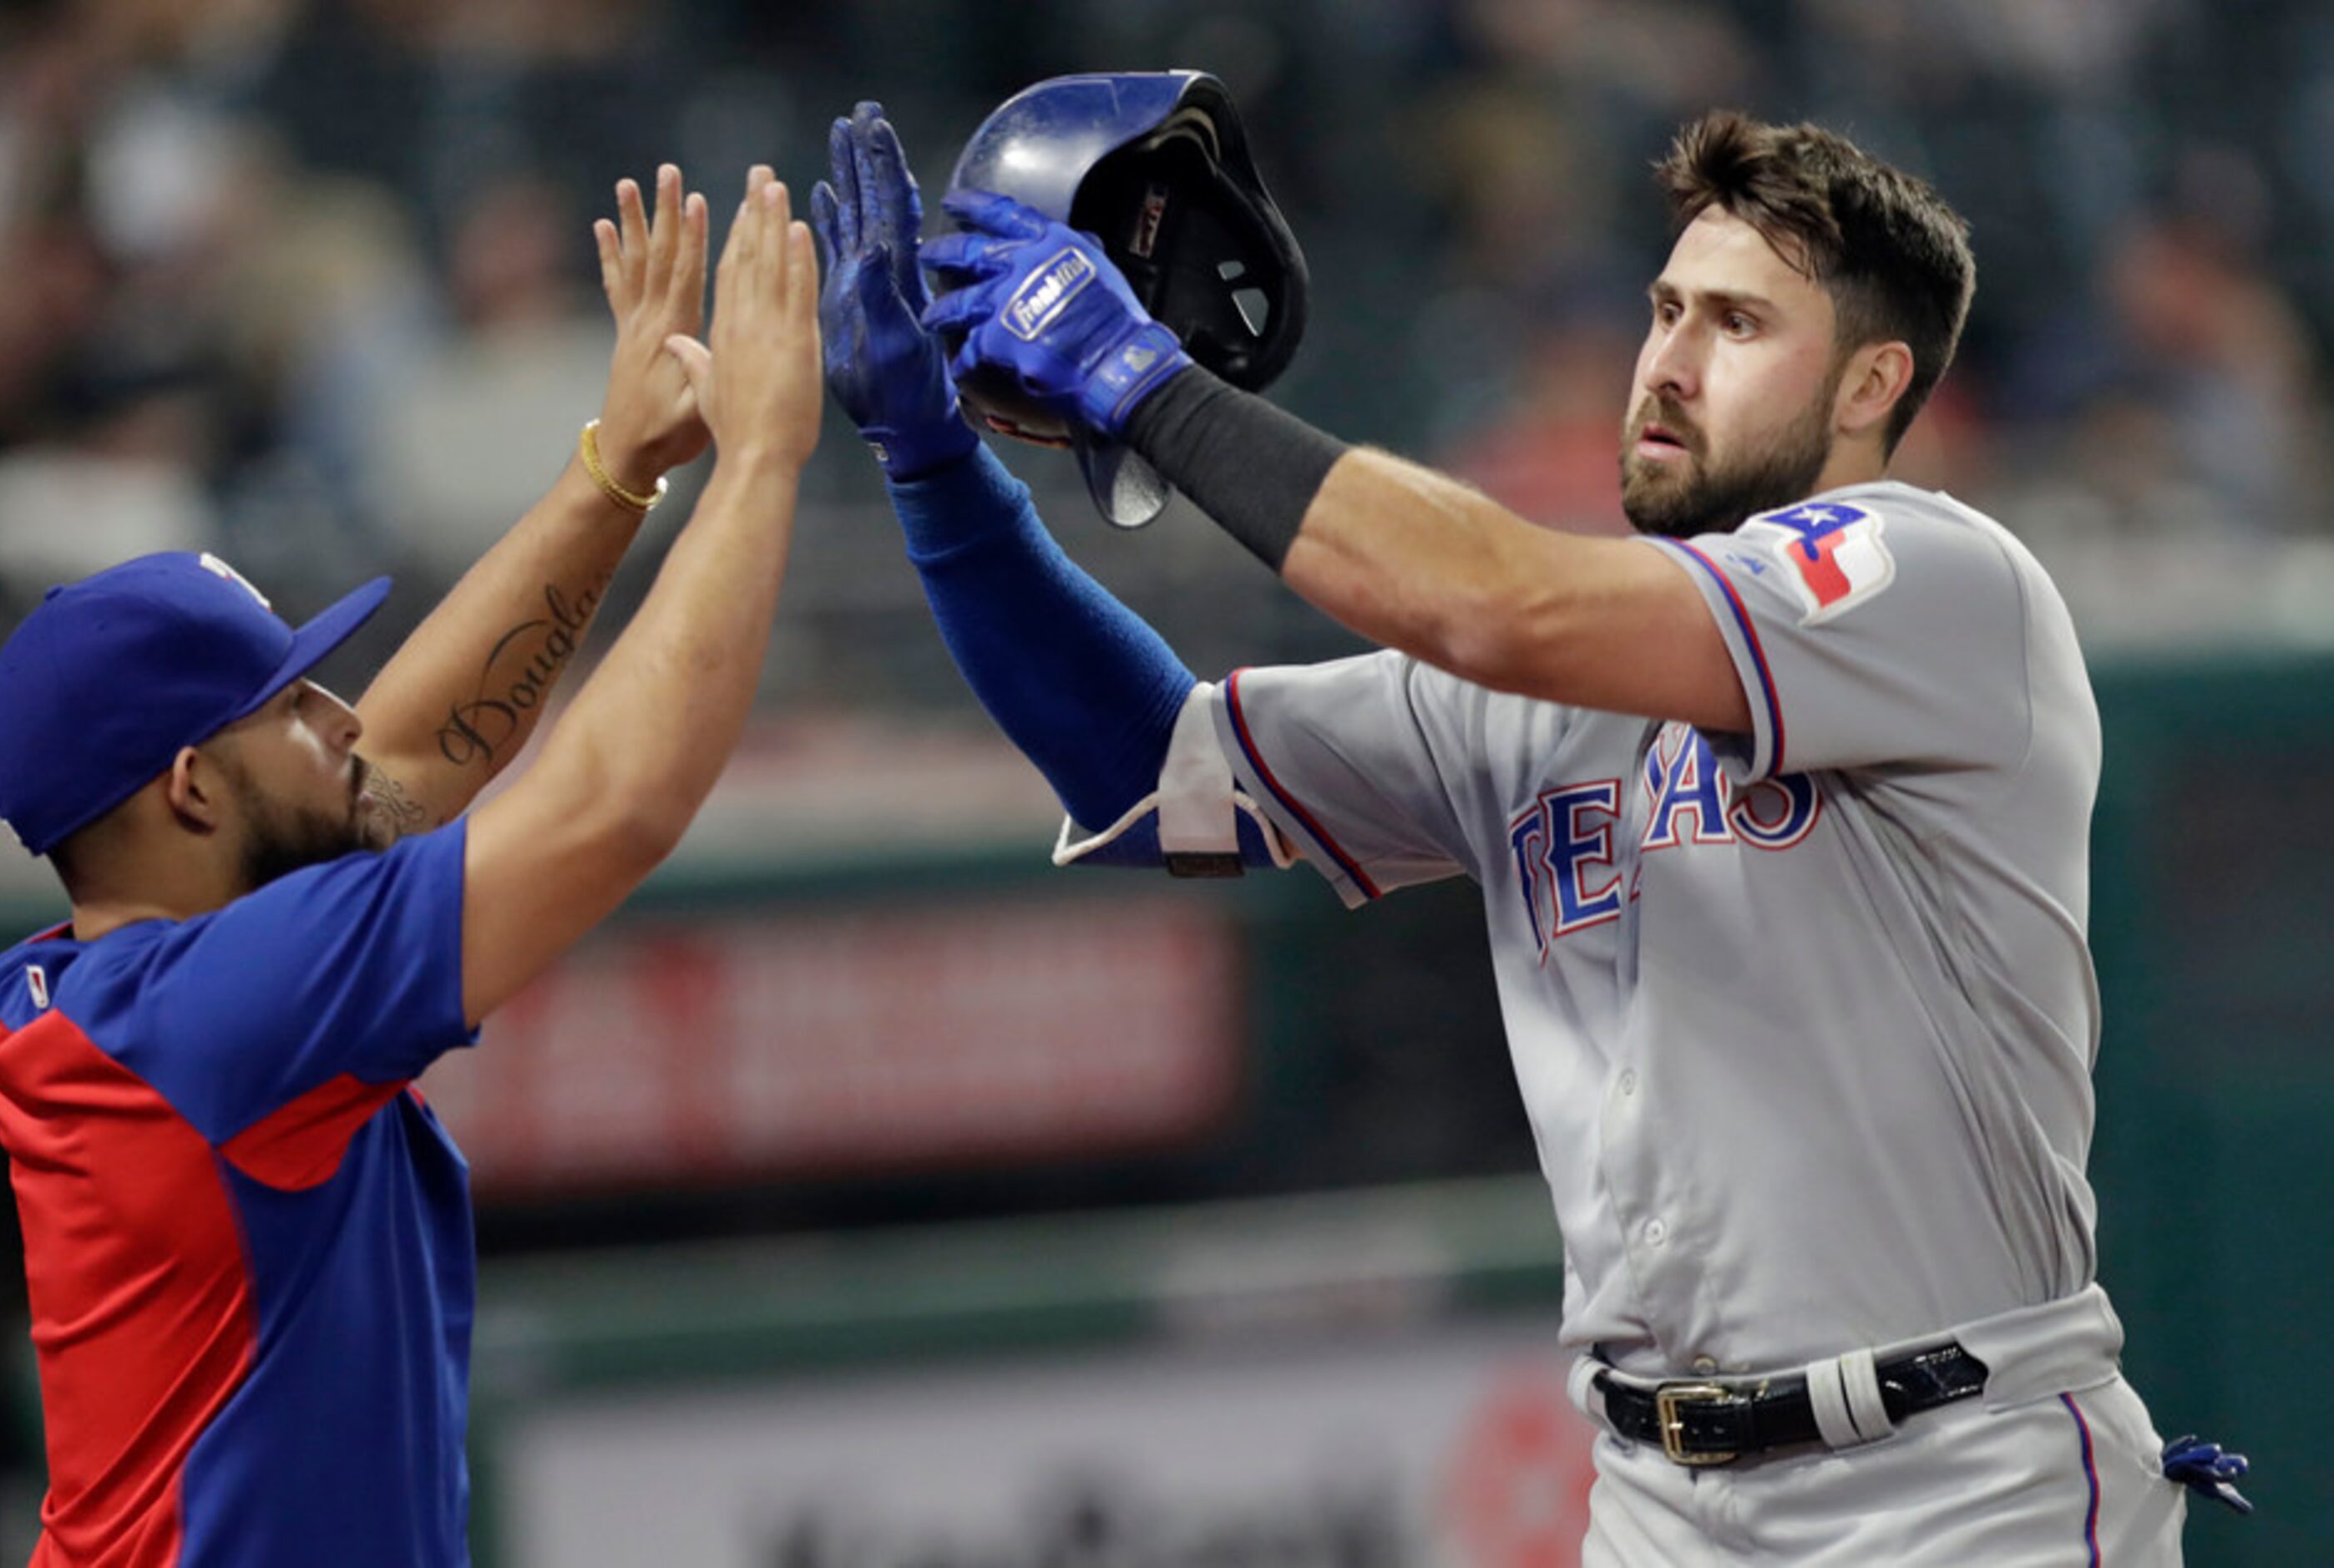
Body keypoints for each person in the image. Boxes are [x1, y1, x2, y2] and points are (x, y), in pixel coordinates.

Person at [813, 97, 2250, 1563]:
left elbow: (1497, 601)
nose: (1672, 362)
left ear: (1875, 380)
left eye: (1740, 326)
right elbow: (1151, 775)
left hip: (1954, 1482)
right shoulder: (1530, 688)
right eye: (1667, 309)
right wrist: (939, 480)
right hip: (1658, 1496)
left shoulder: (1933, 578)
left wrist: (1144, 381)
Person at [0, 164, 822, 1565]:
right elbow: (613, 804)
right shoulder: (217, 1012)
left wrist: (619, 471)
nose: (343, 714)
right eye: (294, 703)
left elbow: (394, 773)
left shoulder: (98, 973)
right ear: (187, 788)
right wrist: (767, 457)